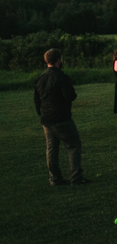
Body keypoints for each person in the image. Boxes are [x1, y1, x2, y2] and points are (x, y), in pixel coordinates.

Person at [34, 48, 87, 185]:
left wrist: (41, 113)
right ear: (59, 60)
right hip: (61, 117)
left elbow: (37, 100)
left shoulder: (40, 78)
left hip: (46, 119)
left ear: (46, 61)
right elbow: (70, 96)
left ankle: (55, 178)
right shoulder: (61, 77)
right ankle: (76, 176)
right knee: (73, 145)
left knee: (51, 149)